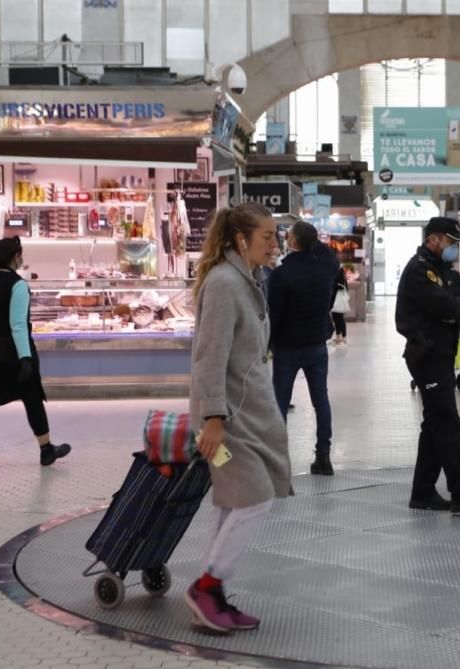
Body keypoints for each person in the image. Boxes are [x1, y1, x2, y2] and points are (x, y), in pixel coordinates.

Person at [186, 202, 292, 635]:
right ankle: (206, 587)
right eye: (266, 236)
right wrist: (213, 418)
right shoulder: (227, 284)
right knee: (255, 497)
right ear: (240, 240)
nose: (274, 243)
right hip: (226, 420)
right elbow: (209, 357)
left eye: (275, 236)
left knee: (233, 501)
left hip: (247, 412)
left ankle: (215, 592)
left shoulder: (249, 279)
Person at [396, 217, 460, 514]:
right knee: (447, 421)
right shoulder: (419, 271)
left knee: (435, 423)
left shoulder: (445, 272)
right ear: (435, 239)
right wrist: (453, 312)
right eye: (452, 243)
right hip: (426, 355)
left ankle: (423, 491)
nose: (456, 248)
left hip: (443, 353)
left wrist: (454, 312)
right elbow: (449, 307)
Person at [0, 237, 71, 476]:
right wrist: (26, 357)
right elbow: (18, 324)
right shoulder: (18, 285)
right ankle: (46, 449)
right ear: (14, 258)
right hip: (10, 352)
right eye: (20, 254)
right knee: (32, 397)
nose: (21, 258)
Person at [268, 221, 340, 476]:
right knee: (321, 399)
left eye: (289, 236)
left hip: (287, 347)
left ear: (294, 242)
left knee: (280, 401)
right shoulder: (324, 269)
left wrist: (268, 344)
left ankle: (277, 461)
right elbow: (331, 258)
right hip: (316, 344)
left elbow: (273, 315)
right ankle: (323, 456)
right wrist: (312, 241)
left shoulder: (281, 275)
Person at [331, 265, 349, 344]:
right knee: (336, 318)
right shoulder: (338, 272)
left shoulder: (339, 272)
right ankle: (338, 337)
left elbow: (340, 286)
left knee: (339, 319)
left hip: (337, 299)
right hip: (335, 300)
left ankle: (343, 337)